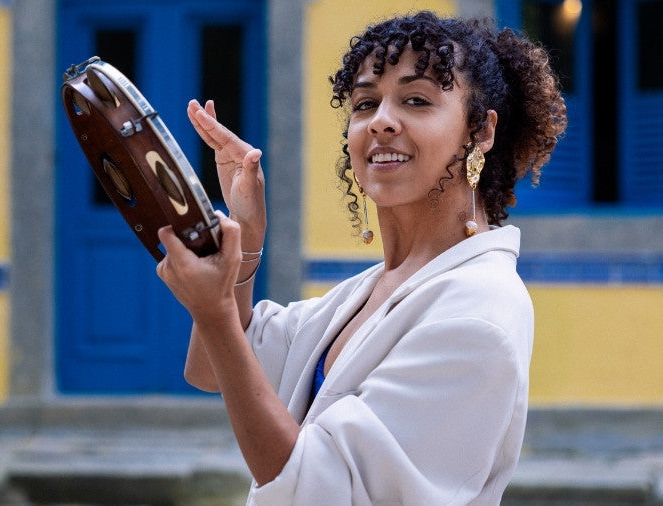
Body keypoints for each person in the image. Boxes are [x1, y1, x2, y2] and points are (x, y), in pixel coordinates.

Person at [156, 10, 566, 504]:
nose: (382, 122)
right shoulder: (369, 290)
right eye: (366, 103)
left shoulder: (479, 313)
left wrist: (215, 312)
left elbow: (318, 487)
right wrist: (244, 240)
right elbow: (211, 369)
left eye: (416, 100)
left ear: (480, 132)